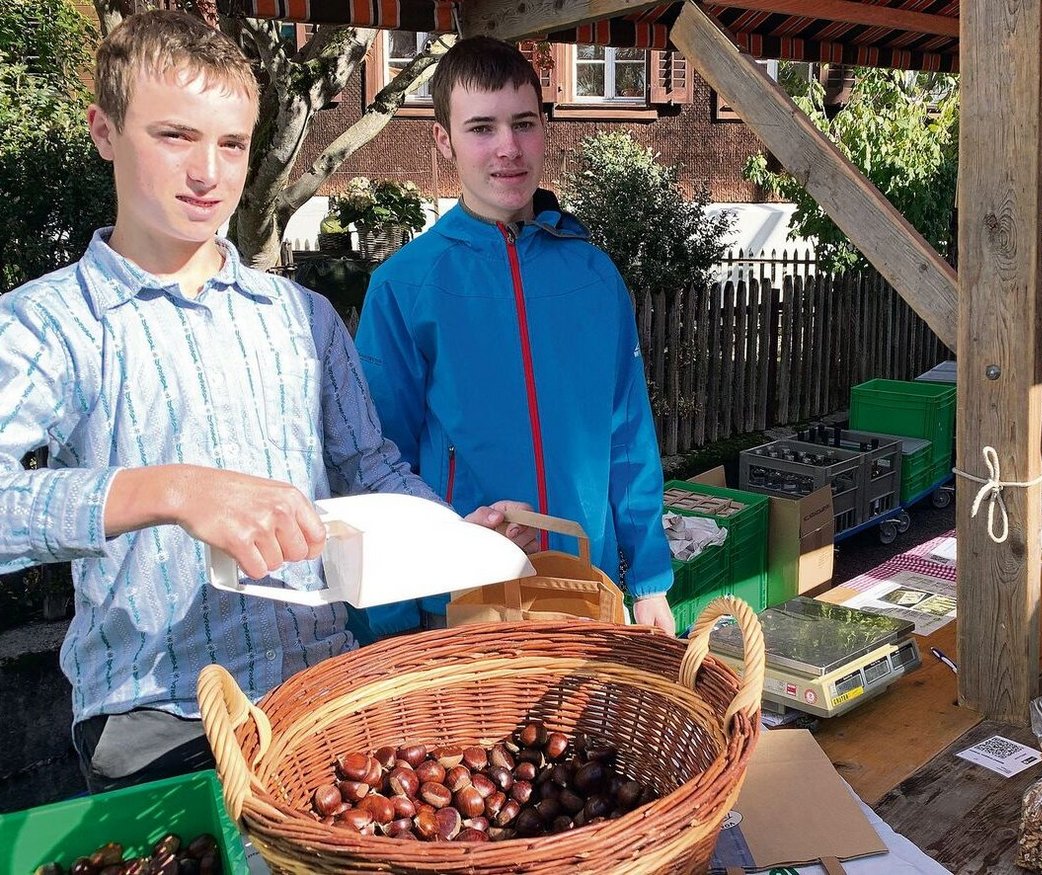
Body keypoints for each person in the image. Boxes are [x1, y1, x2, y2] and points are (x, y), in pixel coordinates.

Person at [0, 11, 532, 794]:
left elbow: (371, 464)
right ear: (104, 130)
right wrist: (171, 490)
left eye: (233, 143)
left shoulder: (299, 316)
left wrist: (451, 534)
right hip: (160, 720)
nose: (208, 173)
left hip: (321, 698)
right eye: (175, 136)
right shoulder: (47, 323)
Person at [353, 36, 676, 641]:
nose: (508, 148)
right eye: (482, 128)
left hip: (584, 590)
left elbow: (628, 433)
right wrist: (391, 624)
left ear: (544, 129)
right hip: (457, 608)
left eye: (523, 123)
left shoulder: (595, 277)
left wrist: (650, 579)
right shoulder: (404, 286)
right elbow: (376, 462)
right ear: (444, 141)